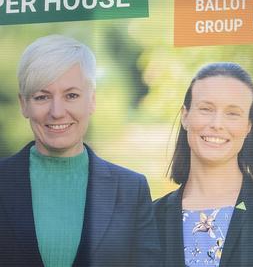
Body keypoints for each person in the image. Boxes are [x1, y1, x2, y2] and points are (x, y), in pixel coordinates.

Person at [0, 34, 161, 266]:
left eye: (71, 95)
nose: (57, 111)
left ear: (92, 100)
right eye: (42, 97)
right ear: (24, 104)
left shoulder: (131, 190)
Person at [154, 62, 253, 267]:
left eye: (232, 113)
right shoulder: (150, 218)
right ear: (185, 117)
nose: (217, 124)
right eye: (206, 109)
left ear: (248, 126)